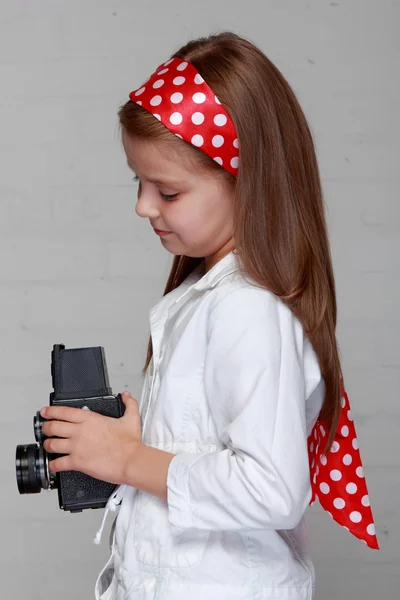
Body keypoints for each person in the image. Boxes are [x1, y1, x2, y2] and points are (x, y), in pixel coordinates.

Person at [40, 31, 378, 600]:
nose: (144, 206)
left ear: (247, 185)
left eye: (167, 192)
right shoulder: (207, 296)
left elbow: (273, 488)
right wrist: (135, 443)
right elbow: (213, 442)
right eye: (138, 181)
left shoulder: (249, 309)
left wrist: (127, 459)